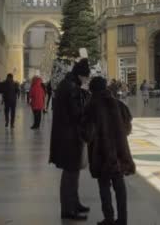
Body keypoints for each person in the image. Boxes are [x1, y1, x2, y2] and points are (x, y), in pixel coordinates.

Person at [81, 77, 136, 225]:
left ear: (92, 89)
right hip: (119, 152)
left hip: (101, 154)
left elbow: (87, 133)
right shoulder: (118, 104)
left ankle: (109, 218)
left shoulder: (91, 106)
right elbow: (128, 127)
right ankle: (123, 219)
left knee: (104, 187)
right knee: (120, 186)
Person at [50, 58, 91, 221]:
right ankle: (68, 209)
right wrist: (87, 101)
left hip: (66, 135)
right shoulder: (72, 88)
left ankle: (74, 203)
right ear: (81, 76)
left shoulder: (67, 85)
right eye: (86, 77)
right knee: (70, 174)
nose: (87, 80)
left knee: (72, 173)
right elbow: (77, 113)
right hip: (69, 137)